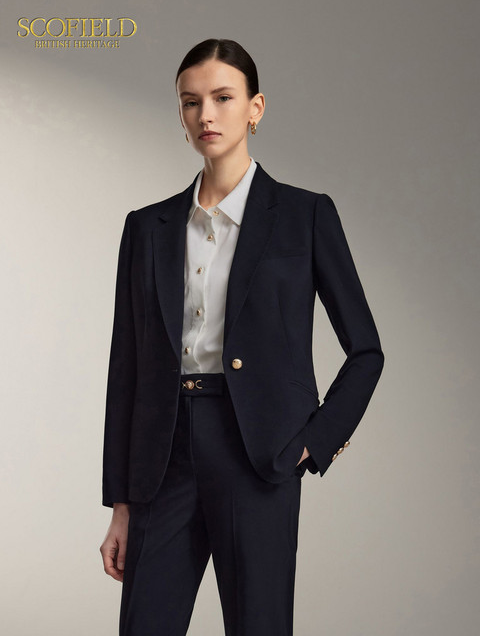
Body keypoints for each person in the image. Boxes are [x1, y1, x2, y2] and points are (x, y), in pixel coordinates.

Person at [99, 38, 385, 636]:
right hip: (161, 456)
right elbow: (126, 369)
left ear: (256, 108)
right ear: (181, 115)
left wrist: (315, 442)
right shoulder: (147, 227)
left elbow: (366, 351)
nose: (206, 114)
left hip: (257, 454)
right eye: (191, 102)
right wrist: (120, 503)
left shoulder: (305, 215)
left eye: (223, 98)